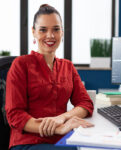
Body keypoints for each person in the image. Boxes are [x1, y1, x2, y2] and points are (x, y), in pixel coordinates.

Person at [5, 4, 94, 150]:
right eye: (43, 30)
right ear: (34, 32)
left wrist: (62, 118)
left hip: (62, 138)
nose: (50, 36)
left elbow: (85, 103)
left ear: (62, 32)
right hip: (28, 142)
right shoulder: (20, 65)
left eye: (56, 29)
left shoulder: (68, 66)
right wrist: (58, 128)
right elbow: (15, 115)